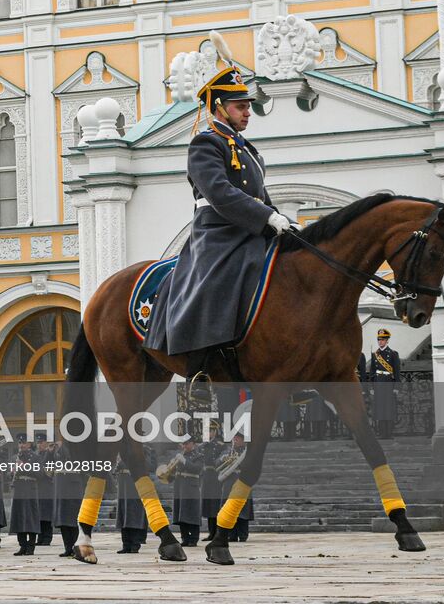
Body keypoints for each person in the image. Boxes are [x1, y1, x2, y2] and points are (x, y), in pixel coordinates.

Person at [143, 40, 292, 398]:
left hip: (250, 228)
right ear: (219, 108)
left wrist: (281, 220)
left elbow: (258, 194)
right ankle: (199, 368)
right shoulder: (205, 143)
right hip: (218, 232)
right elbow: (220, 193)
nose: (248, 112)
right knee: (214, 282)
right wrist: (266, 216)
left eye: (248, 106)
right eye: (241, 107)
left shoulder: (246, 149)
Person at [167, 438, 204, 547]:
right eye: (183, 444)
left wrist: (184, 460)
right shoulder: (179, 456)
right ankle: (185, 538)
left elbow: (196, 469)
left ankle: (194, 538)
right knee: (181, 514)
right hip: (179, 487)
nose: (184, 446)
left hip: (191, 487)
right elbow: (171, 476)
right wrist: (170, 469)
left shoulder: (199, 456)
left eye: (187, 444)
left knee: (192, 513)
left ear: (193, 444)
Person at [8, 435, 41, 556]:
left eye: (24, 443)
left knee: (30, 518)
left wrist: (25, 466)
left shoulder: (36, 457)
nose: (21, 445)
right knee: (19, 518)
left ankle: (31, 546)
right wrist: (12, 472)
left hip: (30, 489)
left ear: (29, 444)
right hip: (19, 489)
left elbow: (40, 474)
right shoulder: (15, 457)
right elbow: (8, 474)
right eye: (20, 443)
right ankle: (22, 545)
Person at [367, 328, 401, 439]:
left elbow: (397, 371)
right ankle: (382, 433)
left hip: (388, 383)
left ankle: (389, 433)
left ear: (387, 341)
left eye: (382, 340)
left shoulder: (393, 354)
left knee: (389, 408)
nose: (380, 342)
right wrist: (371, 387)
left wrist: (396, 387)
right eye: (379, 340)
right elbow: (372, 372)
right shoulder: (375, 354)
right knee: (380, 409)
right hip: (378, 384)